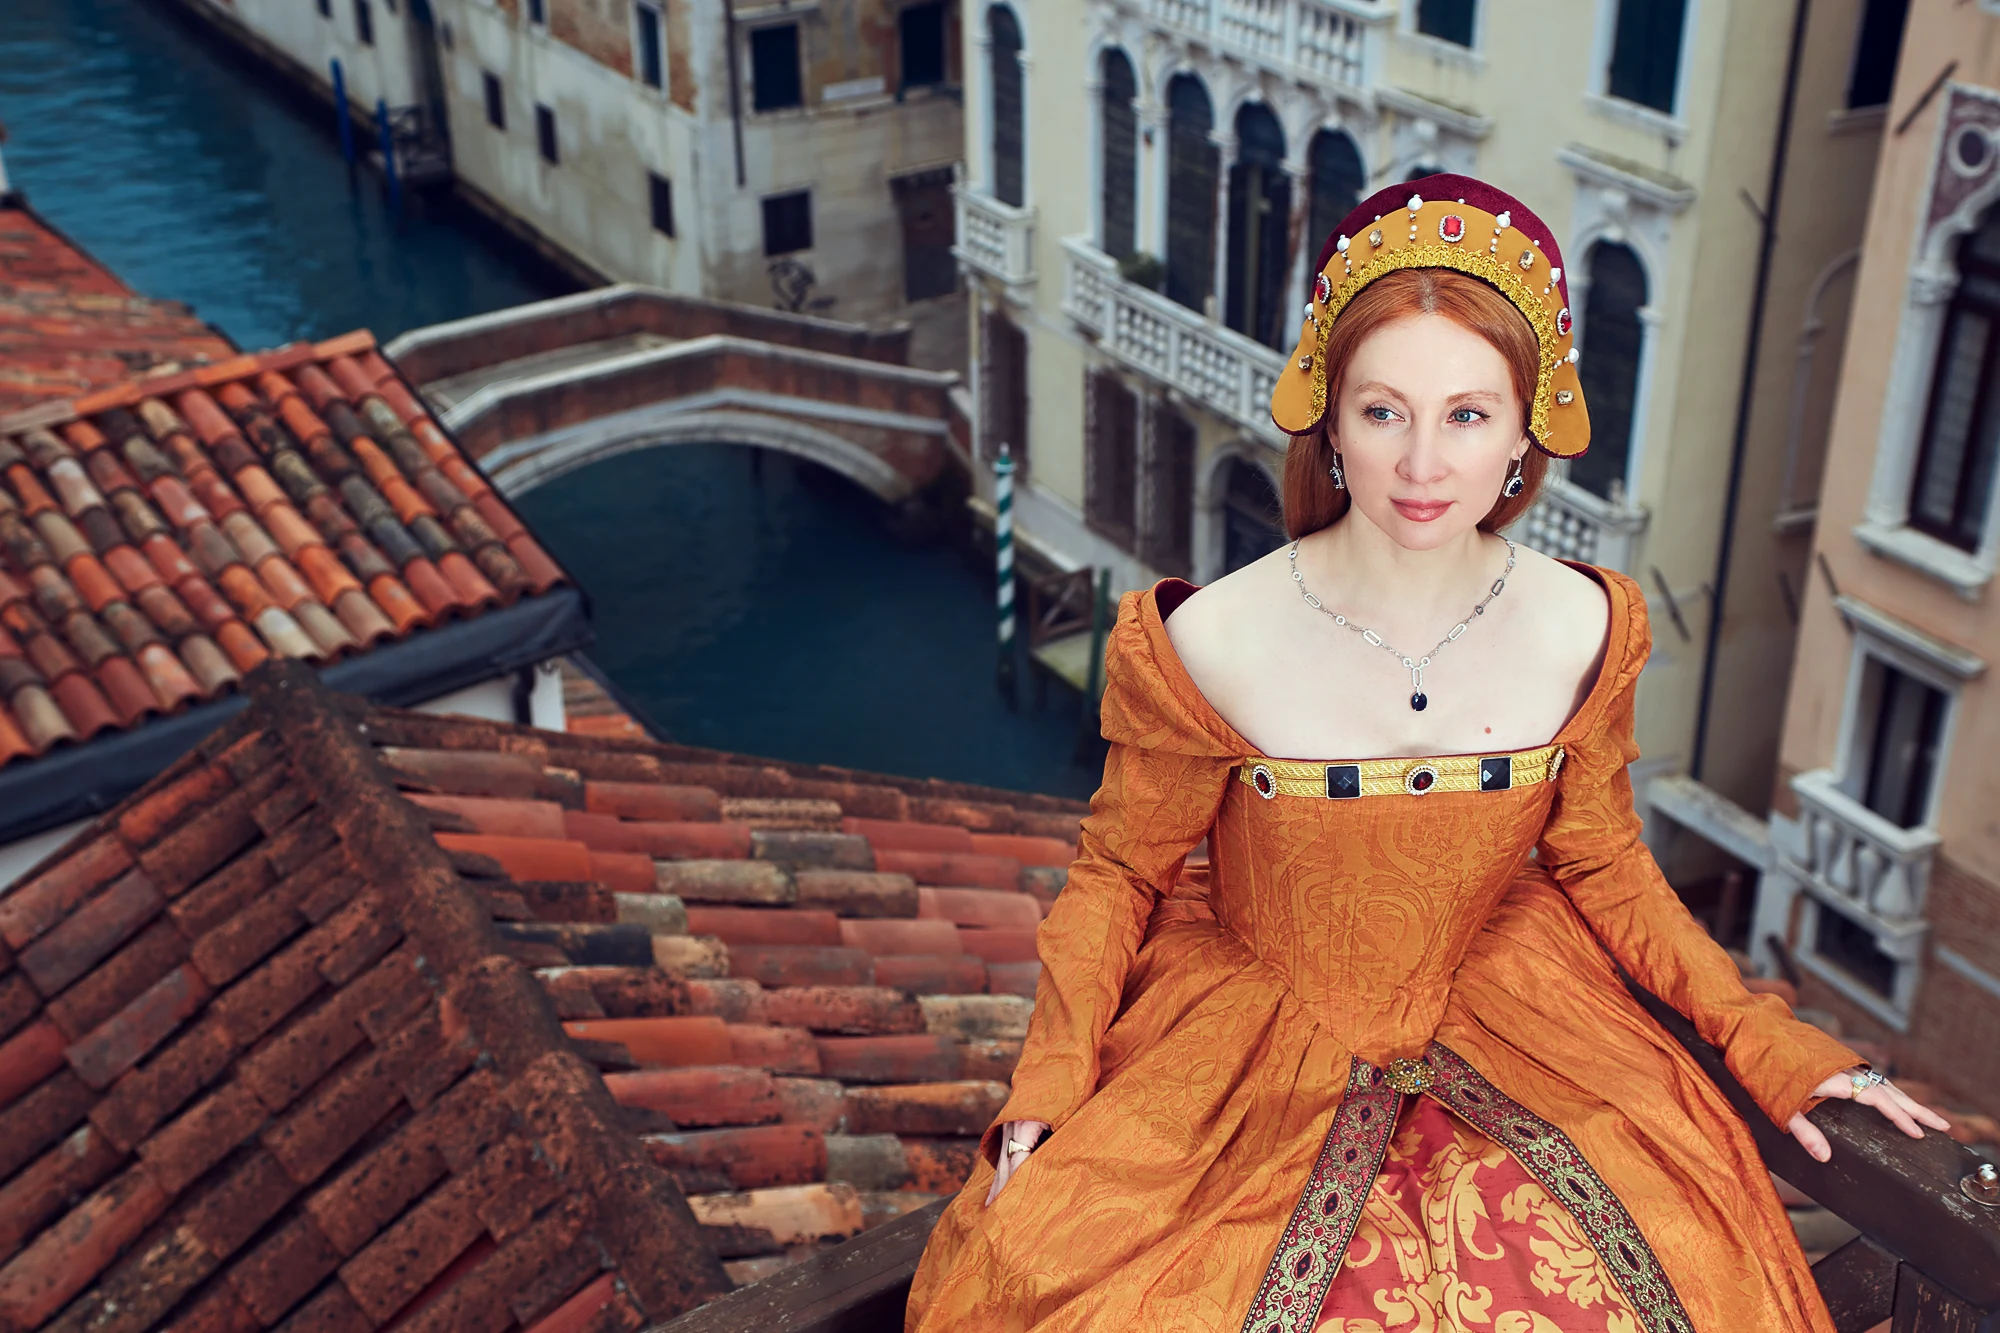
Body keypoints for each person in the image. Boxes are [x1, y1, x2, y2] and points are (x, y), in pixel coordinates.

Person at [905, 175, 1945, 1333]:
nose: (1420, 466)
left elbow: (1603, 862)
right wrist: (1048, 1082)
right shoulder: (1207, 637)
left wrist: (1759, 1035)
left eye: (1465, 415)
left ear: (1523, 431)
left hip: (1516, 1011)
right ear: (1329, 420)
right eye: (1382, 412)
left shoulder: (1586, 625)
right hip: (1249, 1041)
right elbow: (1117, 874)